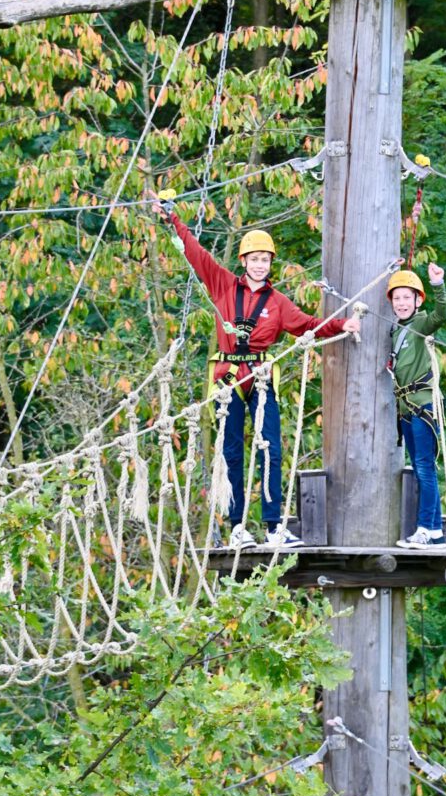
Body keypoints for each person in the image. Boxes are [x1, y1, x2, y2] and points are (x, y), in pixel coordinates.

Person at [147, 190, 360, 548]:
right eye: (255, 258)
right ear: (244, 260)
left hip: (260, 377)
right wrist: (172, 218)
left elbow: (307, 325)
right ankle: (236, 527)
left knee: (270, 449)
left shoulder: (277, 303)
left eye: (265, 259)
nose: (260, 264)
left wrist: (342, 326)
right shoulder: (224, 285)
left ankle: (274, 526)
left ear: (270, 263)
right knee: (231, 452)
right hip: (228, 378)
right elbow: (196, 255)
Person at [387, 262, 446, 549]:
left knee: (424, 467)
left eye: (406, 298)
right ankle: (434, 530)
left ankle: (425, 527)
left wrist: (438, 285)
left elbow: (441, 314)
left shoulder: (422, 323)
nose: (401, 303)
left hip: (423, 405)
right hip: (406, 409)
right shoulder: (395, 330)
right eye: (397, 298)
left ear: (417, 300)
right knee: (421, 466)